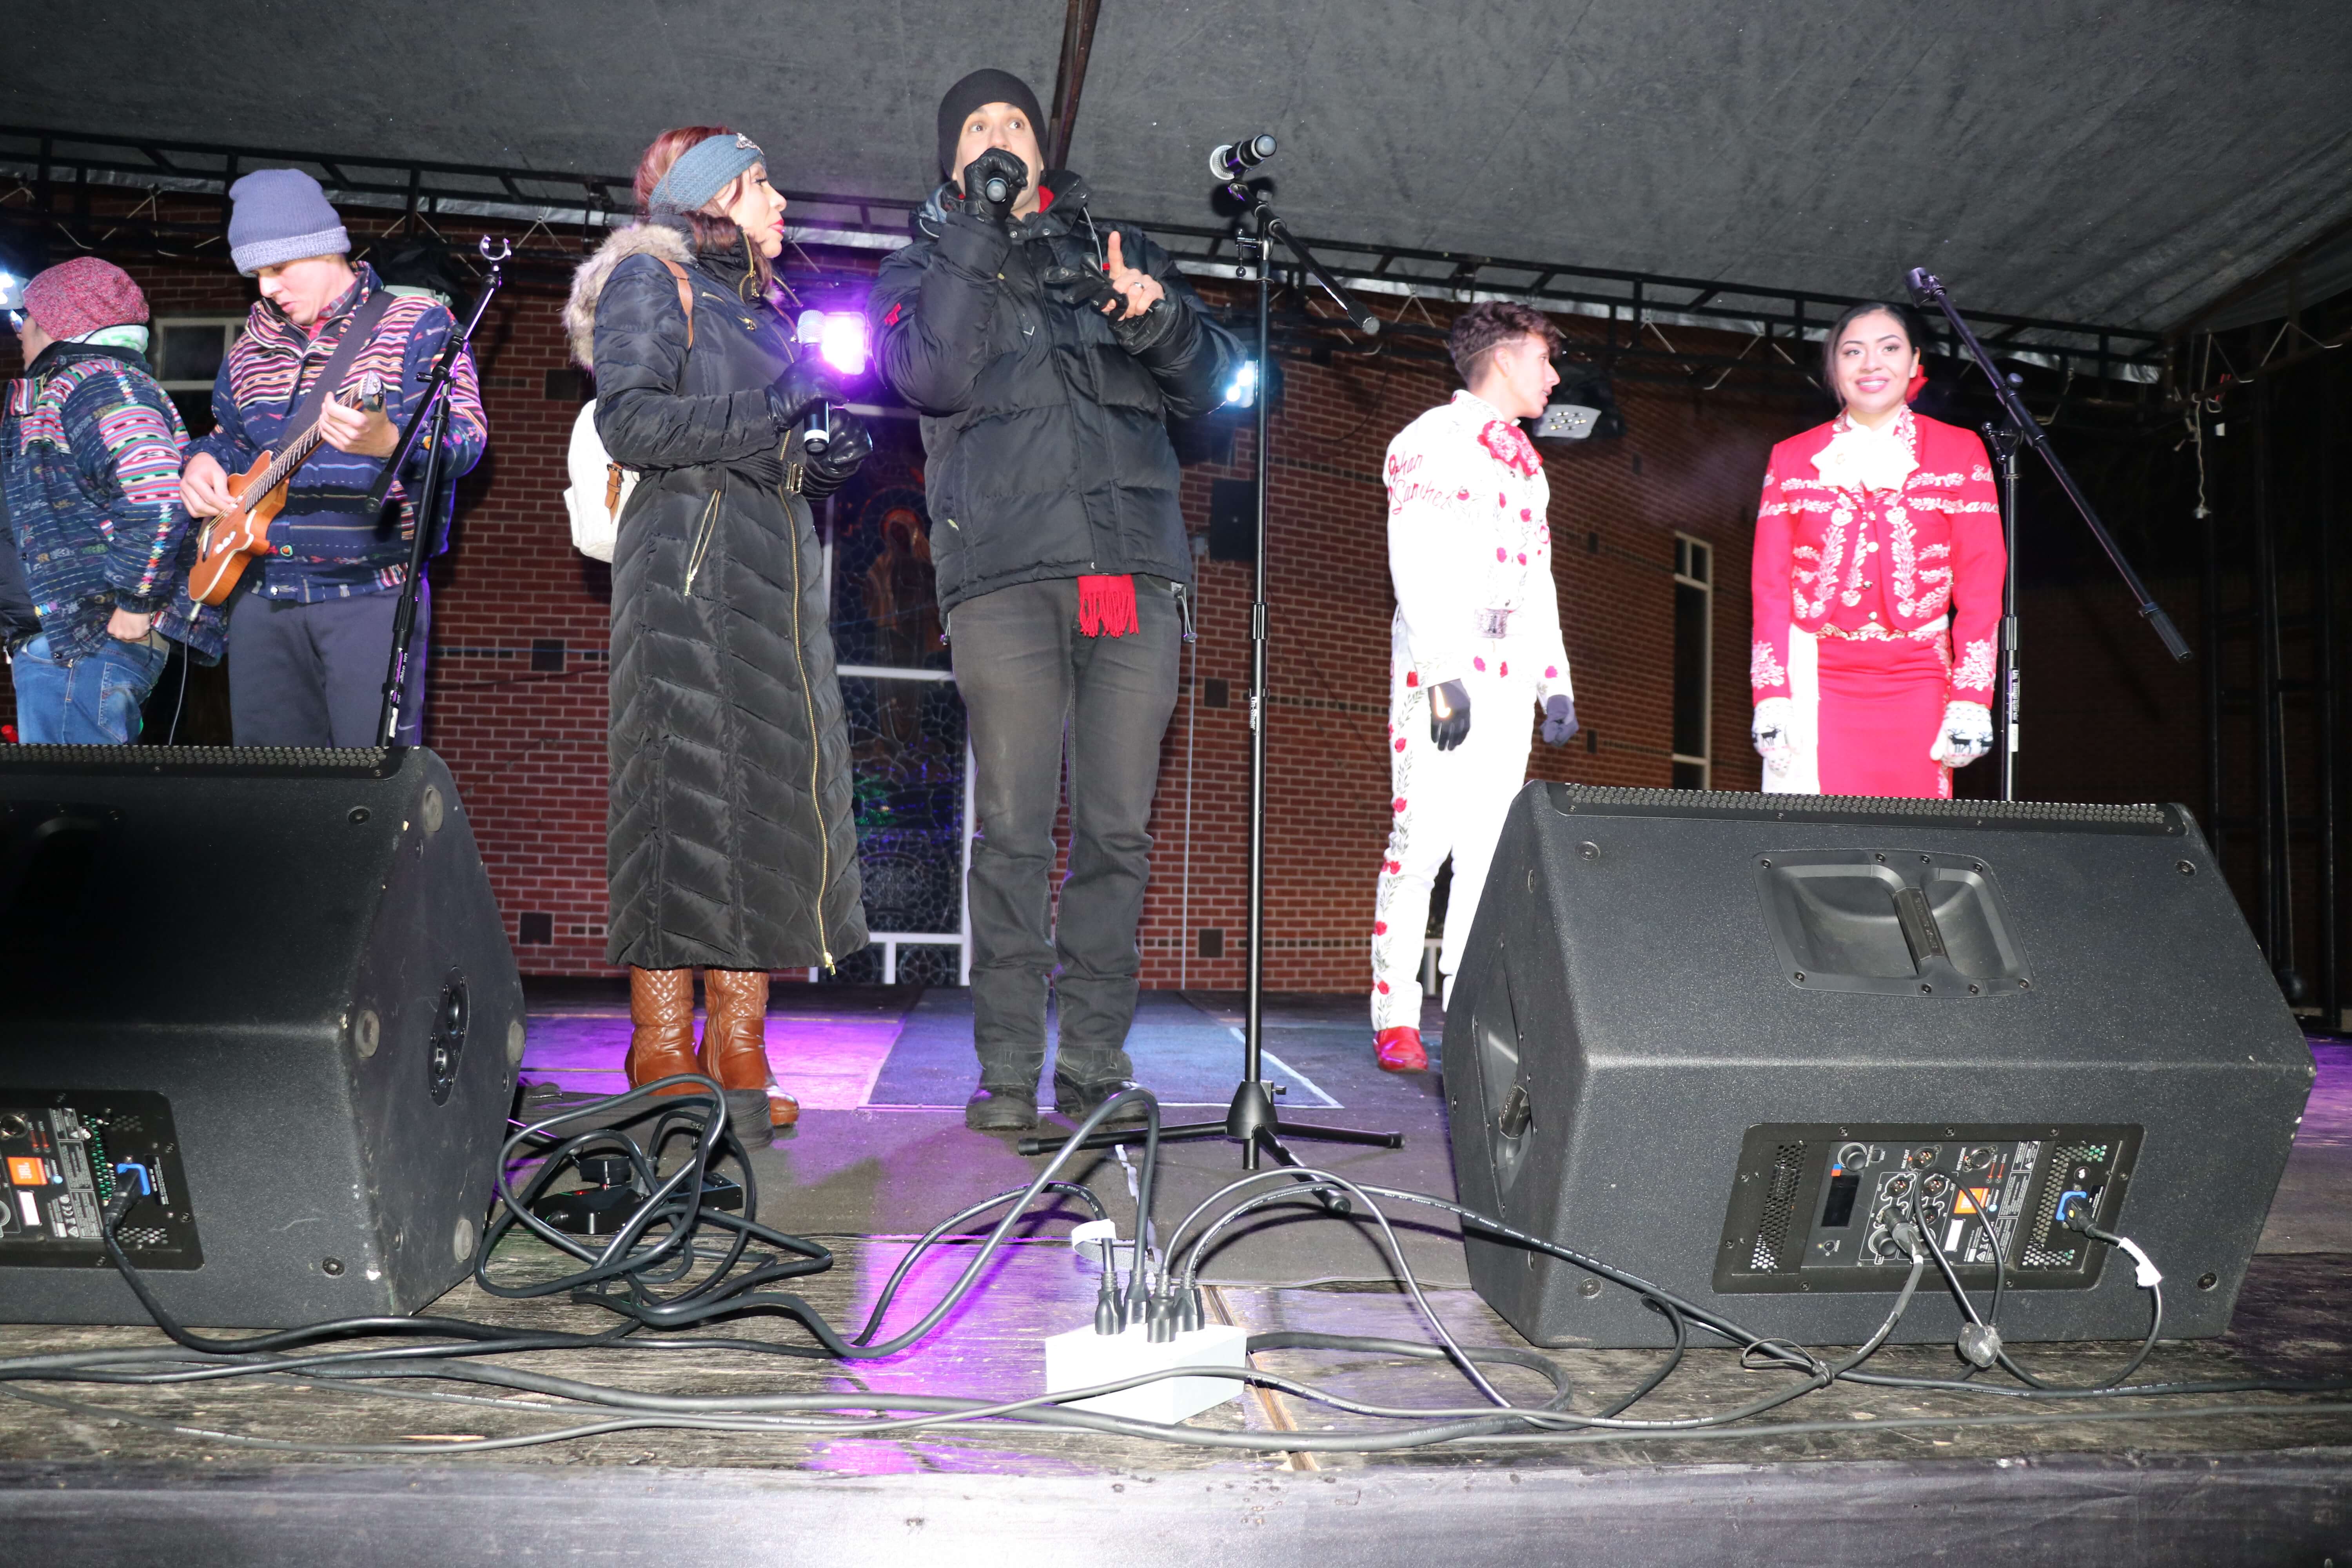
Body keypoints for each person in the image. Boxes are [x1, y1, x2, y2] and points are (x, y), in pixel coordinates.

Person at [870, 69, 1242, 1134]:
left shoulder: (1118, 250)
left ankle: (1092, 1064)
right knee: (1015, 835)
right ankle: (1005, 1073)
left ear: (1043, 148)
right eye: (977, 128)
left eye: (1015, 123)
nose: (998, 136)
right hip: (1003, 580)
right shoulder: (922, 264)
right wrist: (975, 233)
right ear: (953, 159)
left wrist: (1157, 318)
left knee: (1117, 835)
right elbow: (930, 374)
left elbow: (1214, 381)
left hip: (1127, 572)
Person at [568, 125, 873, 1147]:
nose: (780, 201)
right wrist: (777, 406)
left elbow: (765, 447)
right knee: (682, 805)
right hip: (687, 585)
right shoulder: (652, 282)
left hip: (770, 588)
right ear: (709, 200)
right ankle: (660, 1044)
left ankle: (740, 1046)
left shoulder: (768, 312)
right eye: (759, 184)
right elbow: (633, 424)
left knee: (763, 816)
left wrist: (818, 460)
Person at [178, 168, 487, 747]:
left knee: (368, 784)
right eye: (256, 275)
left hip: (369, 594)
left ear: (325, 248)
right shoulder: (248, 350)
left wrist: (391, 442)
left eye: (278, 269)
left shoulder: (417, 324)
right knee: (270, 785)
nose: (267, 288)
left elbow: (466, 439)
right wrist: (199, 463)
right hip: (260, 594)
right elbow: (227, 438)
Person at [1368, 301, 1578, 1073]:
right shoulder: (1428, 441)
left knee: (1487, 849)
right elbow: (1414, 564)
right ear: (1505, 357)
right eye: (1544, 359)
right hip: (1445, 670)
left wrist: (1554, 681)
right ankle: (1395, 1014)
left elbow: (1537, 577)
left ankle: (1463, 1006)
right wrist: (1441, 676)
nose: (1554, 378)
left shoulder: (1524, 462)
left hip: (1508, 673)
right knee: (1422, 840)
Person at [1749, 302, 2005, 797]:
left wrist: (1972, 697)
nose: (1871, 364)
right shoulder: (1791, 456)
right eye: (1853, 352)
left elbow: (1981, 581)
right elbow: (1770, 586)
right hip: (1816, 673)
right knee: (1816, 835)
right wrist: (1772, 694)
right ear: (1833, 367)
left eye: (1889, 349)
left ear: (1914, 362)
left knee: (1913, 832)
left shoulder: (1960, 450)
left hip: (1918, 675)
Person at [1, 258, 220, 742]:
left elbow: (157, 494)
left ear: (56, 321)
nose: (18, 330)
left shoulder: (97, 383)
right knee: (70, 787)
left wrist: (136, 601)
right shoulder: (78, 387)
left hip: (89, 640)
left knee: (71, 789)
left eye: (24, 316)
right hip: (72, 643)